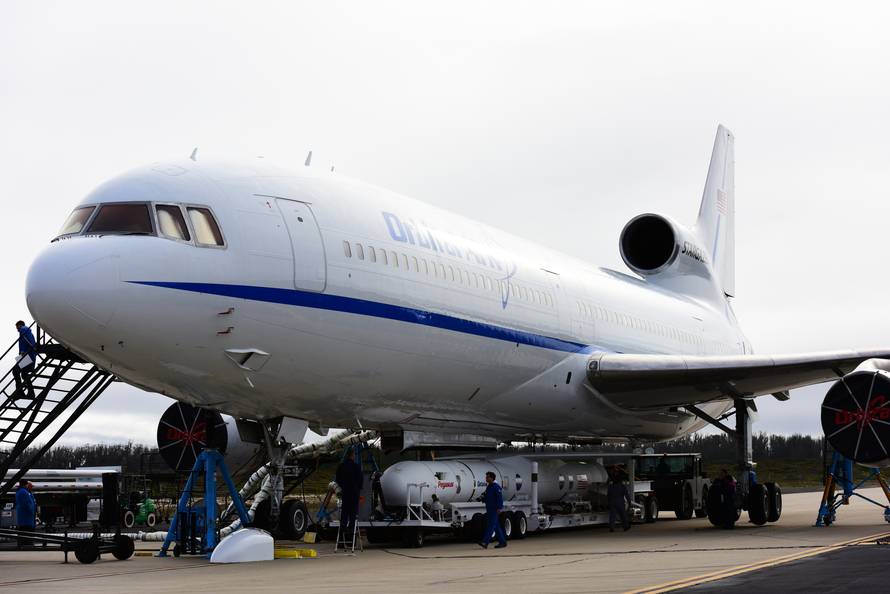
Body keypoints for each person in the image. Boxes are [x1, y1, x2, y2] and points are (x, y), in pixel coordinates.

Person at [335, 448, 363, 542]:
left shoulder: (341, 466)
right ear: (352, 455)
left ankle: (342, 535)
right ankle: (351, 536)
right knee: (353, 515)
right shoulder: (356, 467)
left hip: (345, 493)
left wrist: (343, 486)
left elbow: (338, 479)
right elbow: (360, 480)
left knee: (344, 514)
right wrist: (358, 488)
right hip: (354, 493)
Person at [478, 471, 507, 549]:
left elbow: (499, 498)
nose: (486, 478)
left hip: (494, 509)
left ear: (491, 478)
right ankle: (502, 542)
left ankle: (485, 542)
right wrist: (482, 499)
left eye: (487, 477)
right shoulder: (489, 486)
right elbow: (488, 497)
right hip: (490, 509)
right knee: (496, 526)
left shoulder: (496, 487)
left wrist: (499, 508)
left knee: (490, 526)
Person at [12, 321, 37, 399]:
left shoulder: (23, 329)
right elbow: (30, 341)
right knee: (24, 374)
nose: (17, 329)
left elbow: (24, 340)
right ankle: (31, 393)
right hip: (31, 355)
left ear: (19, 325)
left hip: (27, 355)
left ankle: (19, 392)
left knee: (15, 370)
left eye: (16, 327)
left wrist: (23, 351)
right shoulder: (28, 331)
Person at [607, 468, 632, 532]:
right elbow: (626, 495)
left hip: (612, 502)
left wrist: (608, 502)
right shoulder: (622, 486)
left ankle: (611, 527)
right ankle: (625, 526)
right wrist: (629, 503)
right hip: (620, 502)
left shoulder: (610, 487)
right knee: (623, 515)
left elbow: (608, 495)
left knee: (612, 515)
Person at [15, 479, 37, 549]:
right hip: (26, 517)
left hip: (26, 517)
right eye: (28, 485)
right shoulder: (23, 492)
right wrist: (32, 512)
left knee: (25, 531)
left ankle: (26, 544)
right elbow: (26, 504)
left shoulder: (23, 491)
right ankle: (27, 545)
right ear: (26, 484)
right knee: (26, 532)